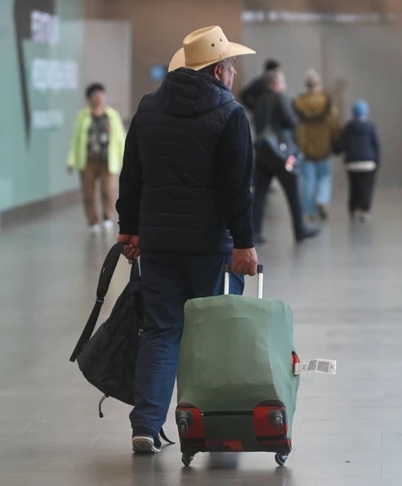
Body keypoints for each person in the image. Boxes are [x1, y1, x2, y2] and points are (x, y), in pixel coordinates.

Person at [116, 25, 258, 455]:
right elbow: (238, 189)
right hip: (210, 248)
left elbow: (131, 175)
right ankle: (210, 425)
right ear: (217, 71)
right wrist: (244, 243)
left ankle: (146, 425)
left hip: (159, 244)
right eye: (231, 65)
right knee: (211, 335)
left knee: (160, 331)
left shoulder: (148, 108)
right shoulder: (230, 115)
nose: (234, 73)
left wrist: (129, 228)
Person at [252, 69, 319, 244]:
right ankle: (300, 228)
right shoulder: (280, 98)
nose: (285, 85)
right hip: (281, 153)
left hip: (263, 153)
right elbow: (291, 121)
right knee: (293, 191)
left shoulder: (259, 101)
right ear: (276, 83)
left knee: (260, 194)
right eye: (283, 81)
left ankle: (255, 232)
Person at [67, 83, 127, 234]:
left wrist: (126, 158)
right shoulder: (83, 116)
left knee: (108, 190)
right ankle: (92, 220)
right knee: (89, 193)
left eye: (101, 95)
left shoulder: (112, 115)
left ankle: (107, 216)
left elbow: (120, 138)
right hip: (88, 159)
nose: (99, 98)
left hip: (108, 159)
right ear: (90, 98)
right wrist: (71, 160)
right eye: (96, 95)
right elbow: (76, 140)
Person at [293, 69, 341, 220]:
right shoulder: (328, 104)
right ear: (319, 85)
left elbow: (294, 126)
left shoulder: (298, 104)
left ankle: (309, 211)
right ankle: (322, 199)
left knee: (307, 180)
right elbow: (334, 125)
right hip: (324, 147)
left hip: (305, 148)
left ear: (307, 86)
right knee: (324, 177)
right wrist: (336, 141)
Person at [336, 100, 380, 222]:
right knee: (367, 187)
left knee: (354, 187)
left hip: (352, 162)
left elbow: (342, 144)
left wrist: (336, 149)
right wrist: (377, 161)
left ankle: (353, 208)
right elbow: (376, 146)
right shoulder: (371, 127)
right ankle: (364, 210)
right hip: (368, 163)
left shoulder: (348, 127)